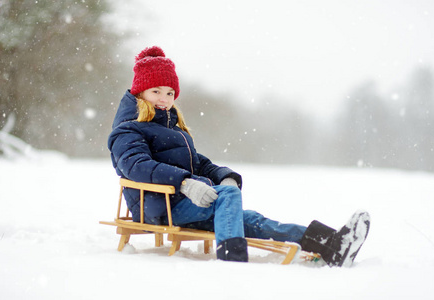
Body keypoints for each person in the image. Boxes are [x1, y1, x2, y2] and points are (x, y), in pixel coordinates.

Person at [108, 46, 370, 267]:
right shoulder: (128, 129)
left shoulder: (173, 130)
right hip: (160, 206)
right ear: (140, 92)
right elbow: (136, 166)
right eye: (156, 91)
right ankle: (232, 260)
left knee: (253, 218)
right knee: (227, 196)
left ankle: (332, 245)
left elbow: (197, 162)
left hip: (186, 201)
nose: (164, 99)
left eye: (169, 93)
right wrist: (185, 183)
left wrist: (225, 176)